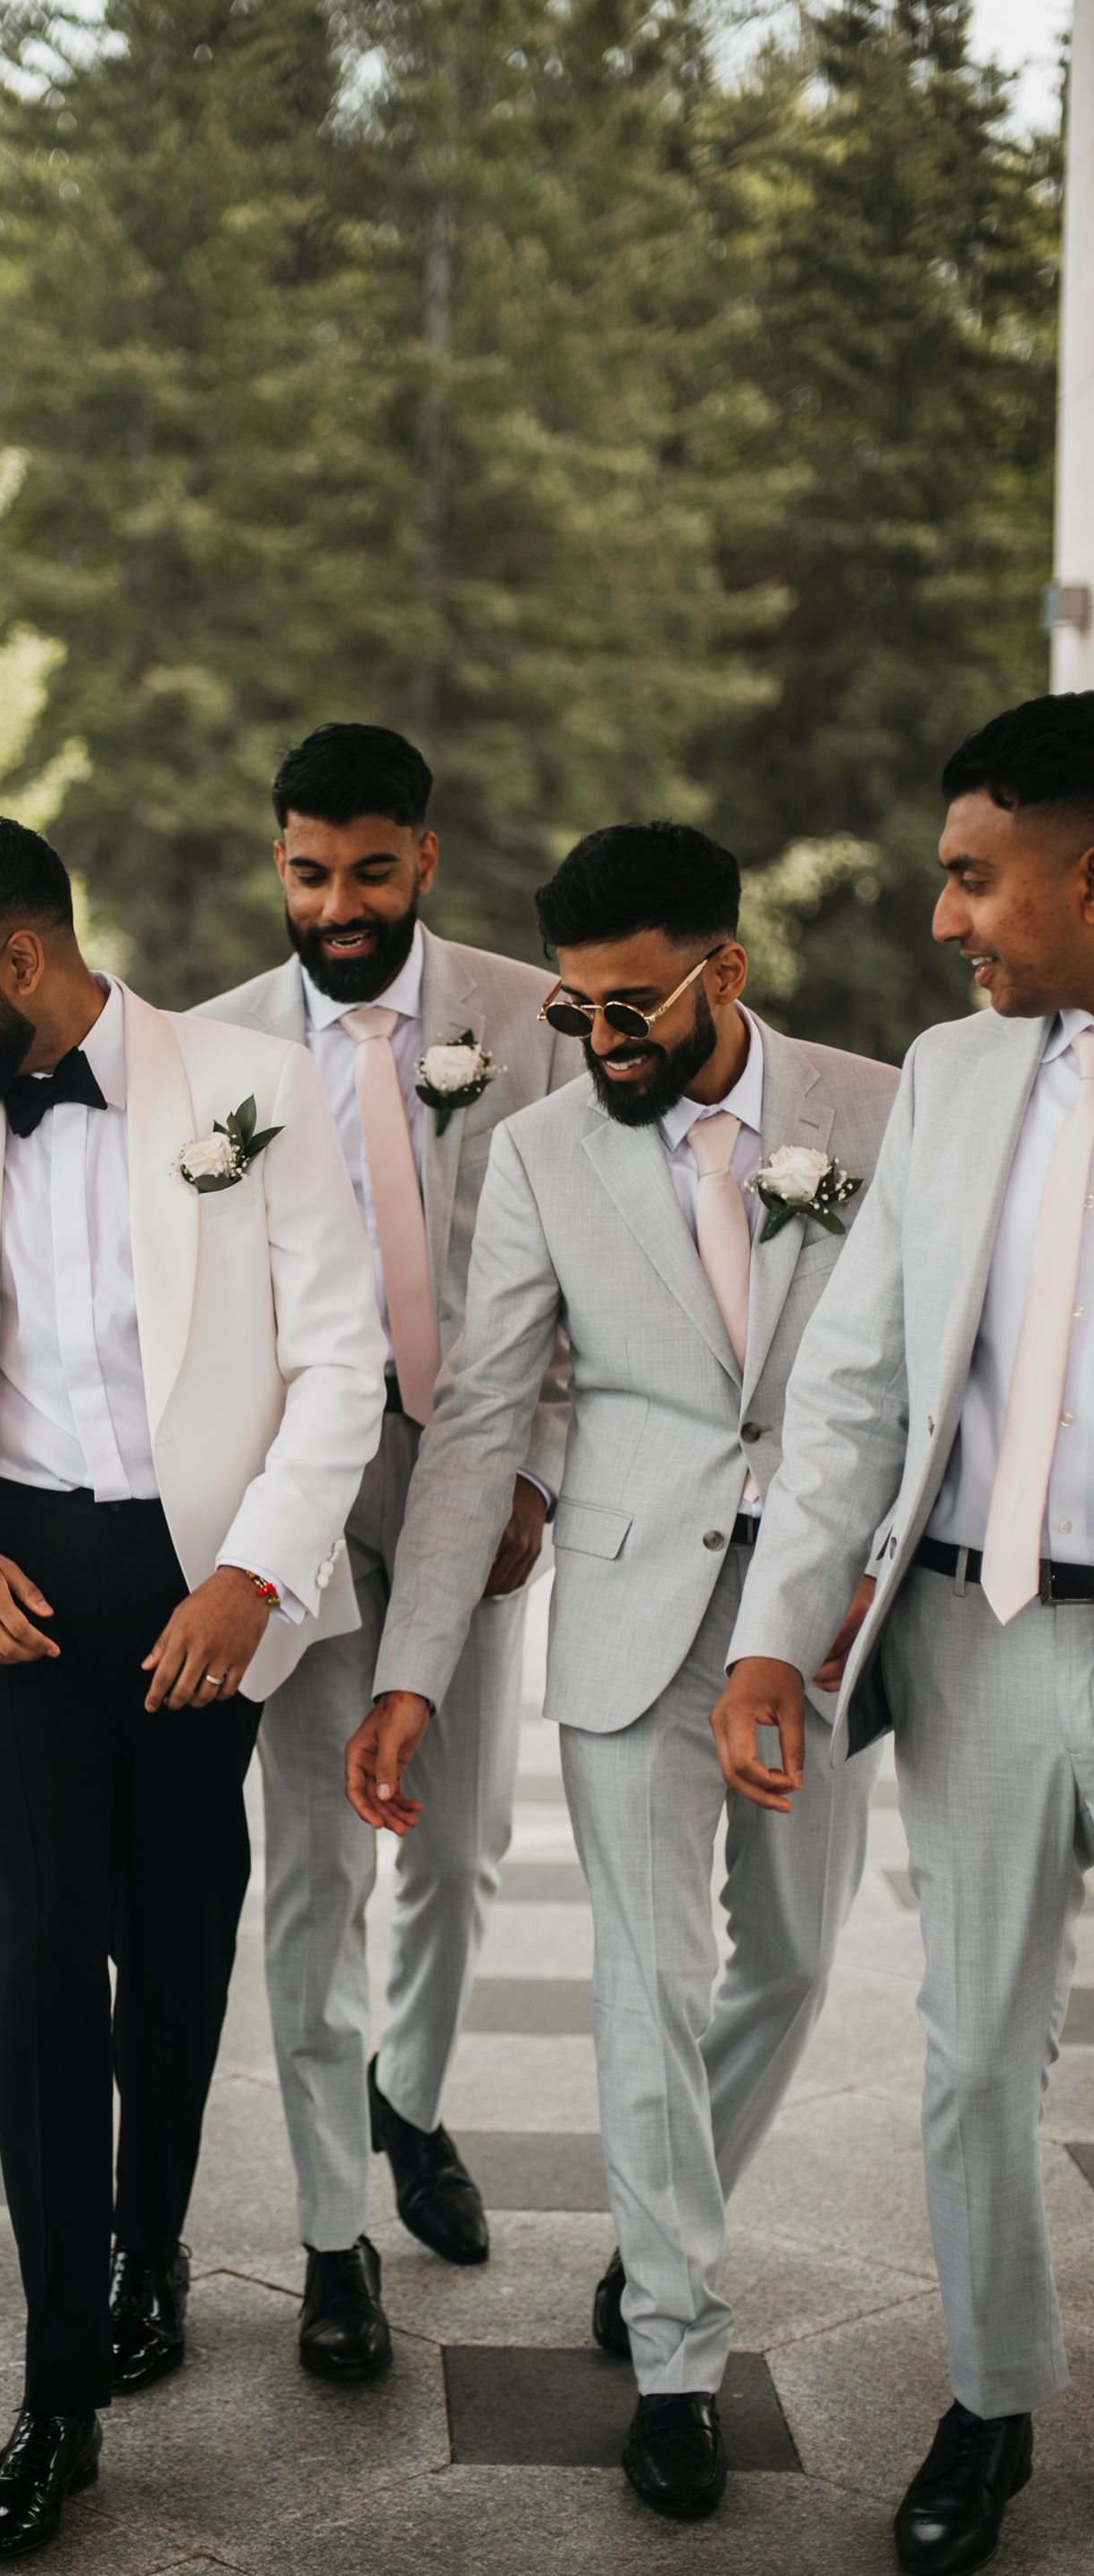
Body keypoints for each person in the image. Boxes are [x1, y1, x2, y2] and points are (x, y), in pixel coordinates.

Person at [0, 813, 386, 2558]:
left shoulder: (253, 1085)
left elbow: (338, 1362)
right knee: (41, 1951)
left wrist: (257, 1570)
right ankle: (60, 2392)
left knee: (179, 1930)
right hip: (14, 1582)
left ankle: (150, 2241)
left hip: (202, 1580)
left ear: (21, 960)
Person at [350, 821, 897, 2520]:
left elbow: (931, 1387)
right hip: (626, 1605)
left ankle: (676, 2215)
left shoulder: (880, 1115)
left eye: (634, 1004)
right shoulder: (538, 1157)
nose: (602, 1040)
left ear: (724, 971)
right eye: (578, 1009)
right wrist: (412, 1668)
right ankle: (676, 2344)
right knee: (644, 1988)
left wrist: (869, 1582)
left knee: (793, 1961)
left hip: (816, 1622)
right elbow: (482, 1419)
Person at [712, 692, 1094, 2576]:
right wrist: (782, 1629)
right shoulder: (954, 1082)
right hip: (981, 1631)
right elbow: (856, 1383)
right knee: (970, 2052)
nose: (947, 918)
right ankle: (994, 2395)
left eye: (975, 875)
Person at [196, 722, 577, 2374]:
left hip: (475, 1482)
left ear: (422, 859)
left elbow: (586, 1280)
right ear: (276, 863)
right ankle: (331, 2231)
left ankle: (406, 2097)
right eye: (306, 870)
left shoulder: (535, 1028)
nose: (336, 902)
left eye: (367, 870)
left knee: (464, 1836)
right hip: (301, 1499)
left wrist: (538, 1479)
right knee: (315, 1870)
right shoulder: (208, 1049)